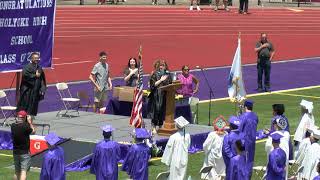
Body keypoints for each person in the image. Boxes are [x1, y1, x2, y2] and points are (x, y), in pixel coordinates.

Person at [17, 52, 47, 121]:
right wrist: (35, 76)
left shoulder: (39, 68)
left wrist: (42, 88)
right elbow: (25, 76)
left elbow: (42, 79)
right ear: (32, 58)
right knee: (25, 105)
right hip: (27, 91)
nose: (37, 59)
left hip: (35, 91)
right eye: (35, 58)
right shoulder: (27, 67)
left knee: (32, 106)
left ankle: (30, 120)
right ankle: (23, 120)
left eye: (38, 58)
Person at [147, 59, 172, 132]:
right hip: (156, 95)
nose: (161, 67)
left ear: (165, 67)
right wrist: (161, 80)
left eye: (163, 65)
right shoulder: (155, 74)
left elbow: (170, 84)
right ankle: (154, 126)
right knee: (155, 110)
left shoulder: (167, 74)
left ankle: (161, 125)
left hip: (164, 95)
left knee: (162, 110)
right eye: (160, 65)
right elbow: (153, 85)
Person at [11, 110, 35, 180]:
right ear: (25, 118)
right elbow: (33, 131)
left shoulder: (13, 126)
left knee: (16, 172)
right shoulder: (26, 126)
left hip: (15, 152)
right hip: (24, 153)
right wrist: (30, 122)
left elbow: (18, 124)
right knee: (23, 172)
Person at [238, 99, 258, 178]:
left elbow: (239, 128)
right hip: (252, 141)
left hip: (243, 141)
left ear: (245, 107)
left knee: (241, 160)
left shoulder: (243, 116)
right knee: (250, 160)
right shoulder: (255, 116)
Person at [222, 116, 241, 180]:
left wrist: (232, 158)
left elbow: (226, 150)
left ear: (230, 126)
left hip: (231, 161)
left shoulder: (227, 137)